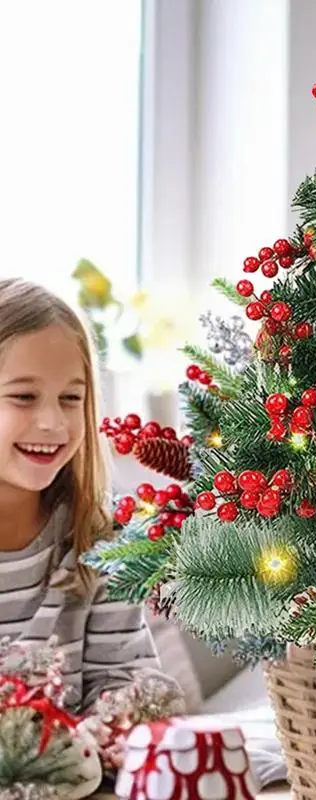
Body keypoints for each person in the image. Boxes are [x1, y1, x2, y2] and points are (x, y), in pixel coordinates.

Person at [0, 278, 181, 719]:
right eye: (24, 397)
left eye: (71, 398)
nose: (52, 422)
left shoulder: (98, 541)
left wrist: (123, 714)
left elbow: (126, 683)